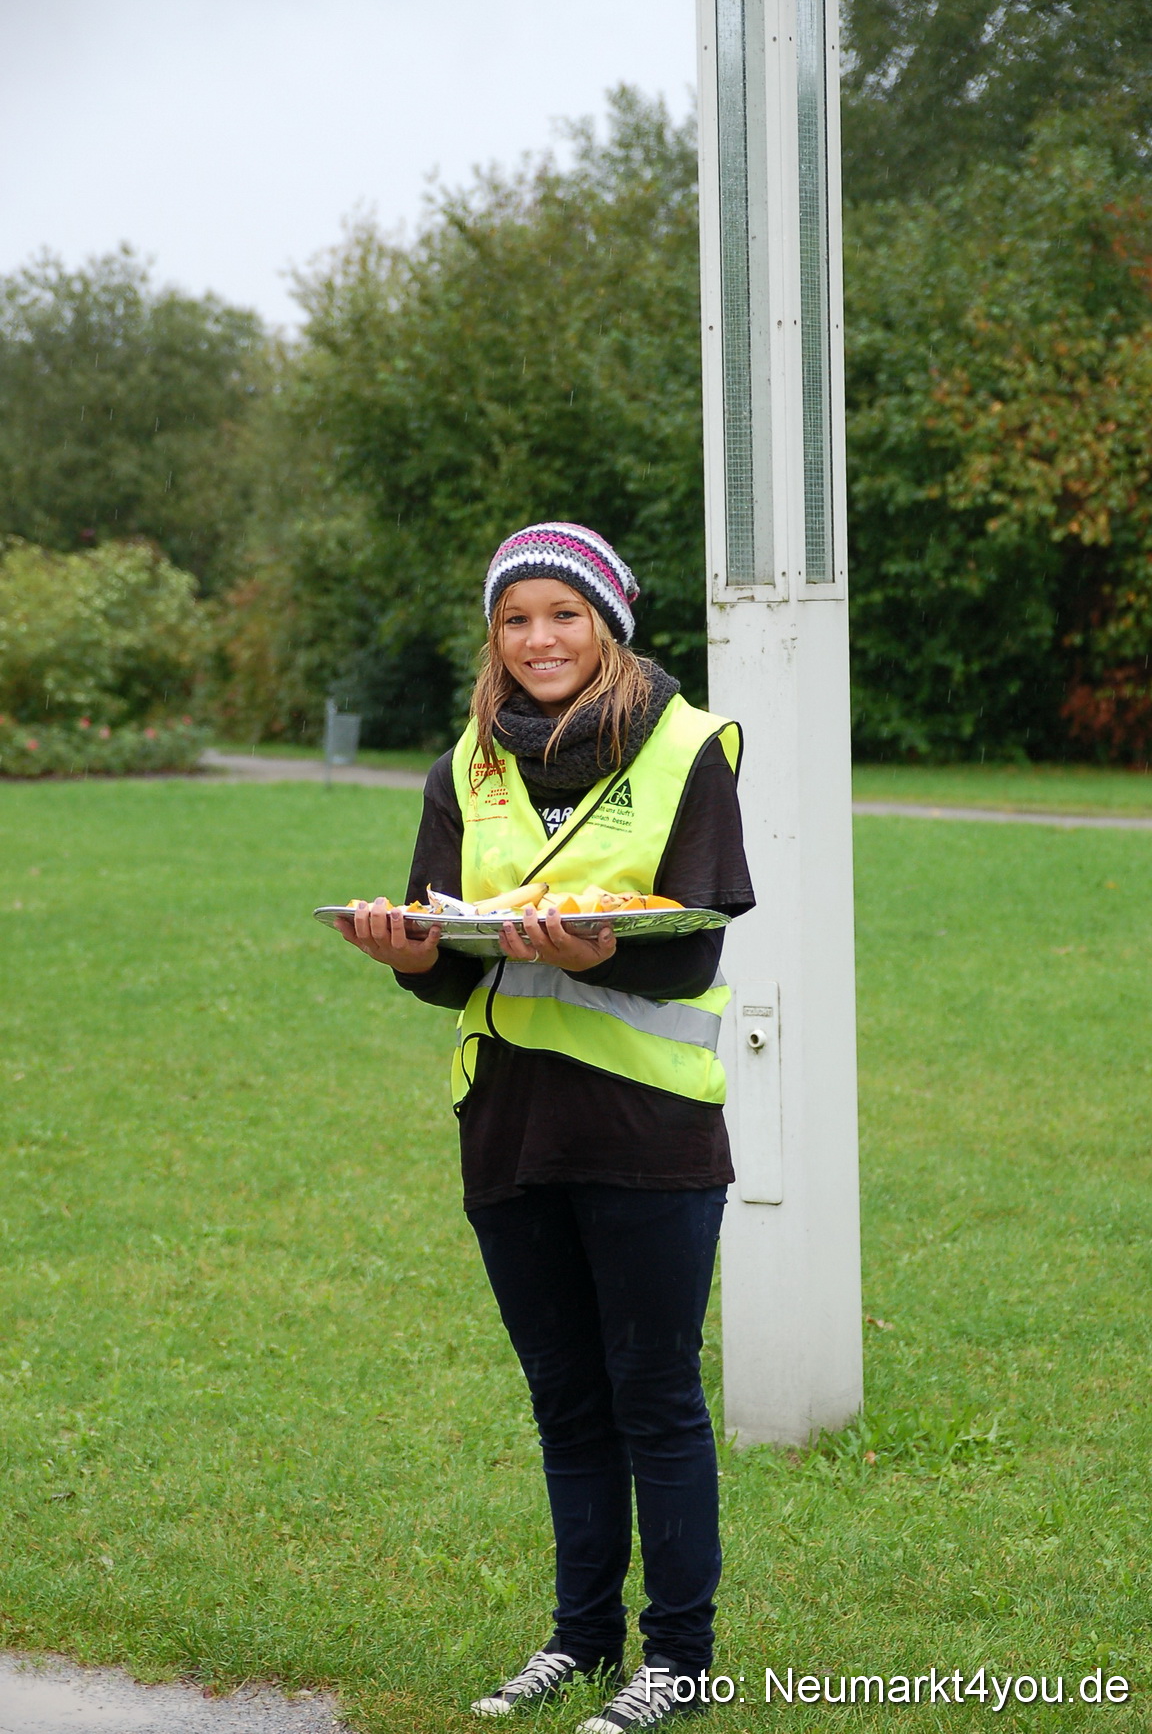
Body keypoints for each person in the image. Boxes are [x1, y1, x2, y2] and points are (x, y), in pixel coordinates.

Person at [338, 523, 754, 1730]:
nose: (538, 639)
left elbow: (693, 957)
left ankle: (678, 1659)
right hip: (510, 1126)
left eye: (562, 614)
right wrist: (408, 952)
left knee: (654, 1397)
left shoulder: (687, 748)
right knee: (565, 1400)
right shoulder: (463, 768)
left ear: (607, 624)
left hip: (648, 1130)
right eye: (515, 619)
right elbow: (451, 962)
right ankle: (579, 1639)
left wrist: (593, 951)